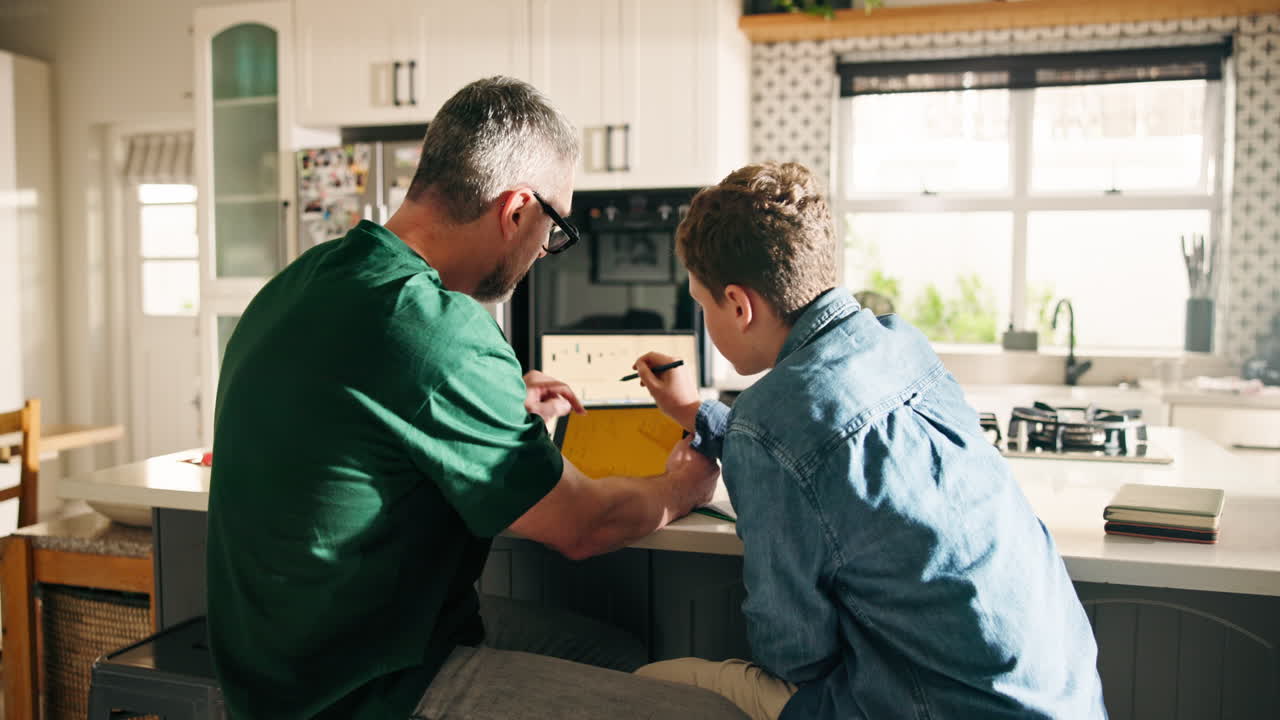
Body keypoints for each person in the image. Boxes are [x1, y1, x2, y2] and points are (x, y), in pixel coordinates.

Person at [206, 77, 748, 720]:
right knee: (712, 715)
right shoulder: (437, 324)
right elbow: (582, 525)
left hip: (273, 667)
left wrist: (492, 395)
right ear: (516, 209)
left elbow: (361, 404)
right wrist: (683, 486)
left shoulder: (305, 279)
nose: (546, 251)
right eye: (554, 229)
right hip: (365, 687)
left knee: (613, 651)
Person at [630, 162, 1107, 720]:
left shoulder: (769, 422)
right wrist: (699, 414)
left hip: (932, 710)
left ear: (739, 305)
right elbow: (826, 443)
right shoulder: (902, 345)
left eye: (703, 303)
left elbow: (794, 654)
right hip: (1065, 698)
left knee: (649, 683)